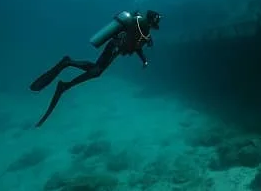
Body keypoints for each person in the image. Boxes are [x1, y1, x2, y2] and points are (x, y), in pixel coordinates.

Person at [30, 10, 162, 127]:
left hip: (115, 47)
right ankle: (66, 77)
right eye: (157, 20)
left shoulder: (143, 27)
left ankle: (66, 77)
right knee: (96, 71)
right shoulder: (142, 25)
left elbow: (136, 46)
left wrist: (144, 60)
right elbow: (137, 41)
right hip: (115, 47)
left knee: (96, 70)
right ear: (152, 20)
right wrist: (146, 44)